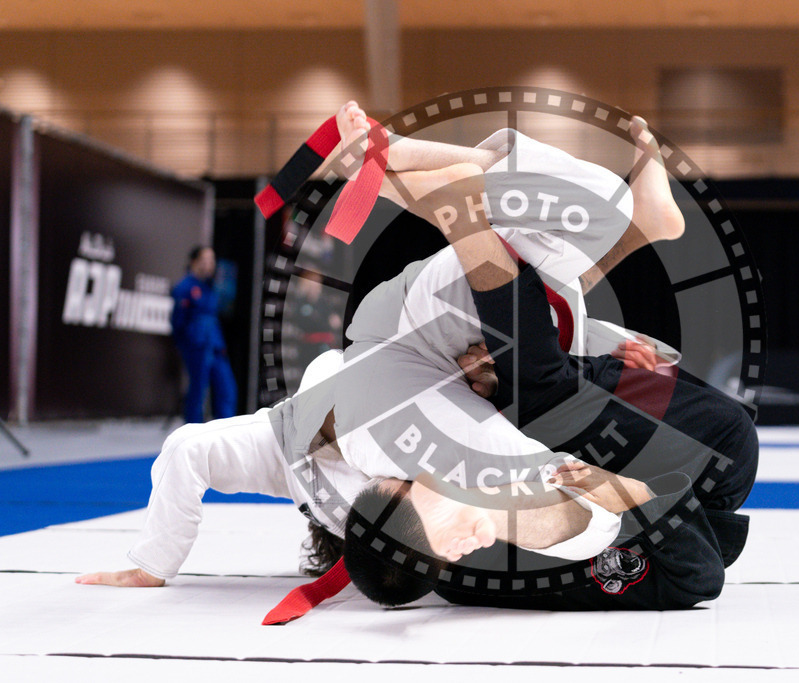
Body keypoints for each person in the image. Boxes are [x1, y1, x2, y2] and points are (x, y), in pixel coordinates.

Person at [75, 101, 696, 589]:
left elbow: (187, 449)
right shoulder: (424, 463)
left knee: (575, 223)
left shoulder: (313, 461)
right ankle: (407, 165)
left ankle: (402, 162)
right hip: (441, 348)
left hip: (418, 340)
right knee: (577, 229)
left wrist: (154, 562)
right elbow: (590, 518)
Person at [343, 159, 757, 609]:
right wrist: (624, 492)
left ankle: (640, 225)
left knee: (526, 377)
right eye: (406, 484)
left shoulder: (454, 558)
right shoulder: (480, 563)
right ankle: (464, 219)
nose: (404, 471)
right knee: (542, 394)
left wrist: (485, 393)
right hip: (711, 456)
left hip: (612, 439)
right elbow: (699, 576)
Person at [170, 246, 238, 424]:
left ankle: (225, 430)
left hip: (216, 346)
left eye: (212, 260)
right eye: (205, 260)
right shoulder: (184, 287)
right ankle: (192, 432)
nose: (210, 264)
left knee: (227, 389)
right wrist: (189, 345)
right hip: (197, 347)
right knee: (198, 391)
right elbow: (178, 323)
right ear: (194, 261)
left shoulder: (211, 288)